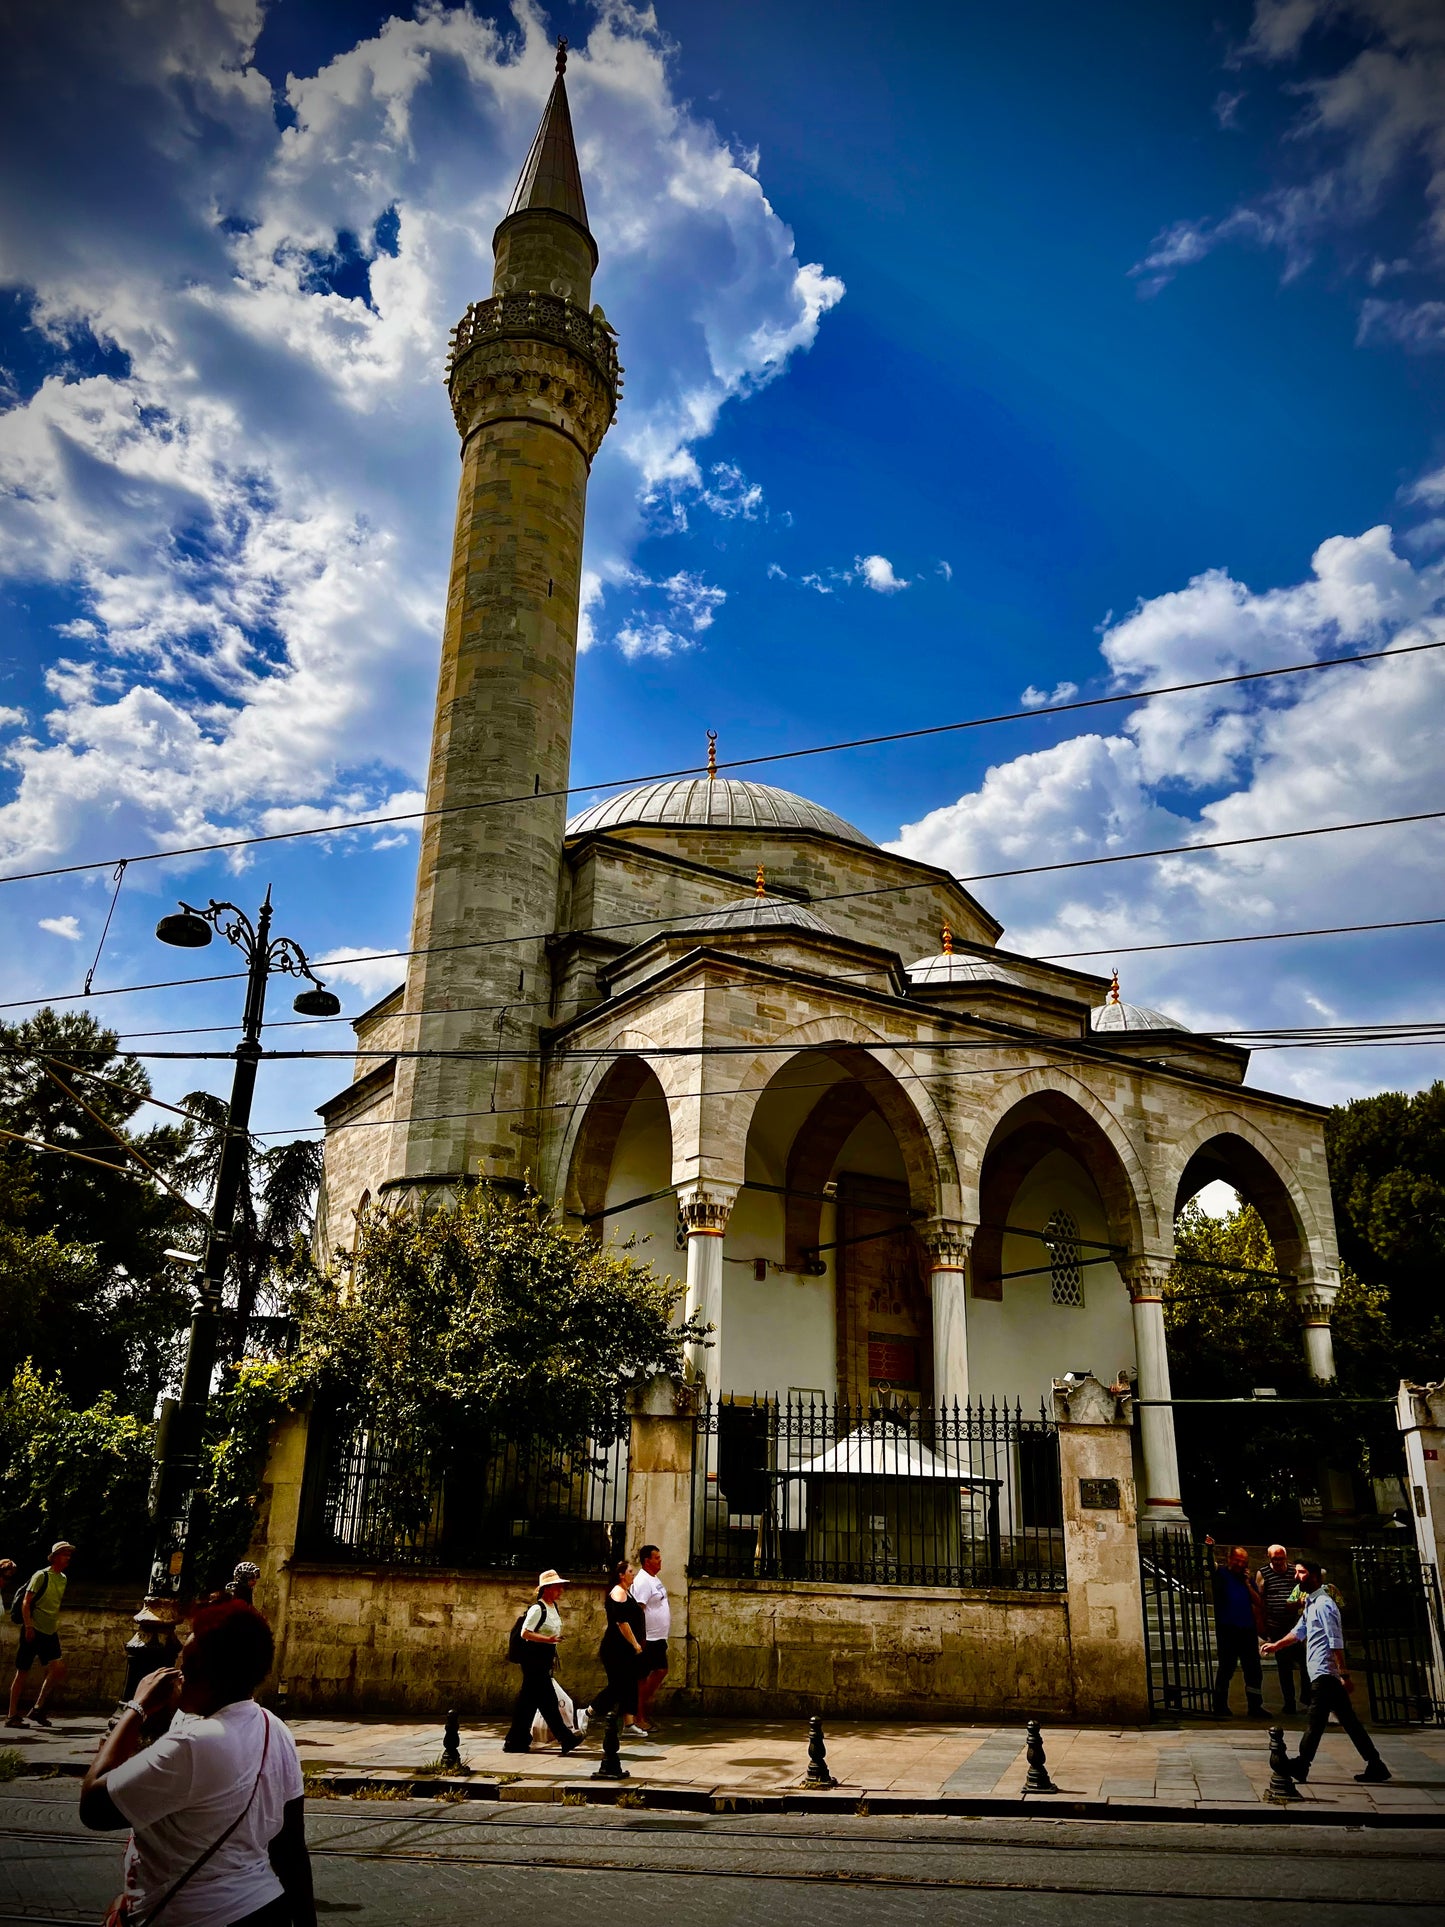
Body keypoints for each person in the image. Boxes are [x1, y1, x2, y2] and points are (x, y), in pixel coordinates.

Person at [79, 1598, 316, 1926]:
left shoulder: (194, 1744)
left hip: (194, 1915)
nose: (176, 1675)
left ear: (208, 1676)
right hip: (264, 1907)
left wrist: (134, 1708)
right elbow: (290, 1848)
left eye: (185, 1665)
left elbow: (93, 1806)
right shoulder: (274, 1728)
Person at [1262, 1557, 1390, 1784]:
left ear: (1315, 1576)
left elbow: (1335, 1640)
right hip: (1322, 1672)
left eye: (1301, 1573)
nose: (1296, 1577)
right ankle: (1376, 1764)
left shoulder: (1324, 1605)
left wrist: (1344, 1674)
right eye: (1297, 1572)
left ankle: (1302, 1763)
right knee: (1349, 1722)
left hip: (1326, 1673)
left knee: (1315, 1720)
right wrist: (1276, 1646)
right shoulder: (1311, 1603)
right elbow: (1299, 1631)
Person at [504, 1569, 583, 1755]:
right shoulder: (537, 1609)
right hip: (533, 1660)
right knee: (548, 1700)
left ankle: (516, 1740)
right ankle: (566, 1738)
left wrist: (552, 1647)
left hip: (544, 1659)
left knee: (528, 1702)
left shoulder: (553, 1607)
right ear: (547, 1589)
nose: (561, 1590)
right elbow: (525, 1633)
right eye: (557, 1587)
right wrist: (547, 1640)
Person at [7, 1539, 75, 1730]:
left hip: (50, 1631)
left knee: (58, 1668)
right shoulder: (41, 1575)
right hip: (33, 1629)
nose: (68, 1557)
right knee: (23, 1672)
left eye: (69, 1554)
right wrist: (28, 1626)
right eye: (64, 1554)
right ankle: (12, 1715)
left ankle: (37, 1708)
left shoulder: (63, 1578)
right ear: (54, 1557)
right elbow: (26, 1603)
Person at [1205, 1537, 1265, 1717]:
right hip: (1228, 1628)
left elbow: (1258, 1602)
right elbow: (1209, 1566)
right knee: (1226, 1667)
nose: (1240, 1564)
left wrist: (1247, 1583)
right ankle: (1220, 1705)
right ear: (1230, 1559)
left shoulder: (1246, 1579)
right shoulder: (1222, 1574)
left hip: (1247, 1629)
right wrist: (1210, 1550)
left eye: (1243, 1562)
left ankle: (1255, 1706)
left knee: (1253, 1669)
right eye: (1237, 1560)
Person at [587, 1559, 647, 1736]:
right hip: (616, 1649)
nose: (633, 1574)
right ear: (621, 1575)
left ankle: (629, 1724)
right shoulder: (618, 1593)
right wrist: (635, 1643)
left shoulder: (627, 1593)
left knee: (629, 1684)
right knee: (618, 1685)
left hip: (625, 1649)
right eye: (630, 1571)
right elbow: (622, 1623)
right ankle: (588, 1712)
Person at [1256, 1543, 1310, 1714]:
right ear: (1269, 1558)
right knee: (1284, 1667)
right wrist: (1262, 1626)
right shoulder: (1263, 1573)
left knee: (1305, 1662)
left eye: (1281, 1559)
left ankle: (1307, 1697)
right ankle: (1289, 1702)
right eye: (1274, 1559)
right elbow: (1260, 1599)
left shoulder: (1294, 1570)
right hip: (1276, 1626)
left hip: (1295, 1623)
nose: (1278, 1562)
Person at [630, 1545, 671, 1733]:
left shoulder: (653, 1579)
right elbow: (638, 1610)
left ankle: (643, 1707)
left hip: (658, 1637)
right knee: (642, 1678)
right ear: (647, 1561)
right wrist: (640, 1637)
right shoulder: (643, 1581)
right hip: (649, 1638)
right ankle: (638, 1716)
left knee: (661, 1670)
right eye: (657, 1558)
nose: (660, 1561)